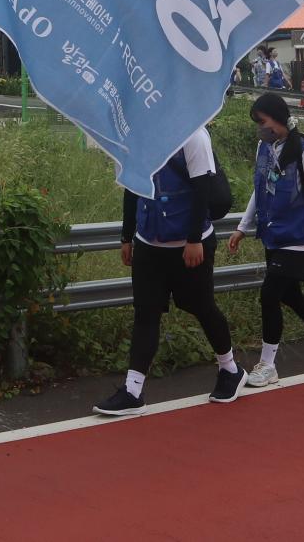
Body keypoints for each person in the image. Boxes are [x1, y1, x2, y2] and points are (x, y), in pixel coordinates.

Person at [97, 125, 241, 416]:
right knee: (146, 312)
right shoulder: (136, 136)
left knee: (201, 306)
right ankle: (133, 391)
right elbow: (133, 188)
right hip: (148, 242)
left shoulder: (194, 134)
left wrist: (194, 239)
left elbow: (202, 189)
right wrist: (127, 236)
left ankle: (230, 369)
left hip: (190, 243)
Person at [229, 94, 304, 388]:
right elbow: (259, 189)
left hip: (298, 235)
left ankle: (268, 364)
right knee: (290, 295)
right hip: (273, 234)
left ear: (278, 118)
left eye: (262, 121)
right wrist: (242, 227)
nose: (260, 128)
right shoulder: (264, 148)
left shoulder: (302, 150)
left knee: (269, 295)